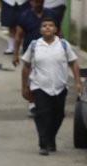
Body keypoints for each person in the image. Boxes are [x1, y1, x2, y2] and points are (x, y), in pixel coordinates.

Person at [21, 16, 83, 155]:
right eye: (44, 25)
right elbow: (26, 66)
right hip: (40, 87)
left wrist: (78, 82)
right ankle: (43, 144)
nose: (47, 27)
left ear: (55, 29)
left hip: (60, 87)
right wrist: (25, 86)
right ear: (40, 30)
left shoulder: (63, 45)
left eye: (50, 25)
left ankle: (50, 139)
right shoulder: (34, 46)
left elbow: (73, 63)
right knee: (42, 114)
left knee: (58, 115)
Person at [11, 0, 56, 66]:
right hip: (30, 53)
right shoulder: (25, 16)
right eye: (36, 2)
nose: (38, 4)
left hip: (49, 52)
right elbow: (18, 36)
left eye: (40, 1)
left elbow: (59, 33)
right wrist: (15, 54)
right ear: (31, 2)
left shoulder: (51, 14)